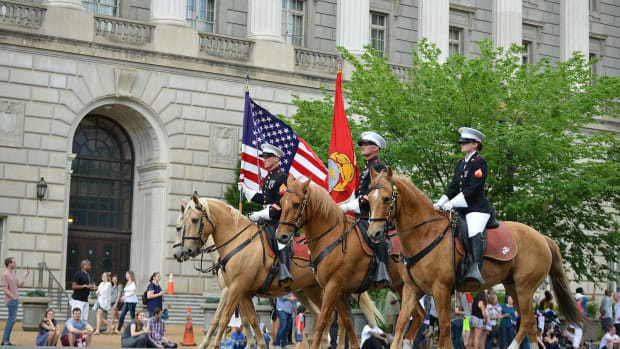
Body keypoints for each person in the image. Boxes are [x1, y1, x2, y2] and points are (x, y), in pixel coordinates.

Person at [433, 127, 490, 285]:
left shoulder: (480, 162)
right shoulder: (460, 164)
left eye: (465, 142)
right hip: (461, 207)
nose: (462, 144)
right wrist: (441, 202)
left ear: (475, 144)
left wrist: (451, 203)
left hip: (477, 208)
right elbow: (453, 187)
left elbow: (473, 189)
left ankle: (475, 267)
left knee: (473, 230)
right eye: (462, 142)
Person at [339, 131, 391, 286]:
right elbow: (359, 193)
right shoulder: (366, 168)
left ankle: (382, 268)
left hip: (373, 213)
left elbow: (372, 196)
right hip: (360, 214)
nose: (362, 147)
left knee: (374, 233)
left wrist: (349, 205)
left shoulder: (380, 167)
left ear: (376, 148)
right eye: (362, 144)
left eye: (367, 144)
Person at [240, 143, 293, 287]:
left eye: (268, 157)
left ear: (276, 159)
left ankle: (284, 270)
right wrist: (246, 191)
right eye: (264, 157)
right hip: (265, 219)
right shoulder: (268, 178)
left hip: (276, 220)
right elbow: (263, 198)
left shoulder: (282, 178)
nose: (264, 159)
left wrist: (259, 214)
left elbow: (280, 204)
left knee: (280, 240)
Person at [2, 256, 30, 345]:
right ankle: (5, 341)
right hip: (11, 300)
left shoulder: (13, 274)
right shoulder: (5, 275)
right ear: (9, 264)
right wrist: (13, 297)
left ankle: (6, 341)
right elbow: (5, 289)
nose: (15, 264)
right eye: (14, 262)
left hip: (15, 299)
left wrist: (25, 276)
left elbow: (19, 285)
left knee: (12, 320)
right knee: (11, 320)